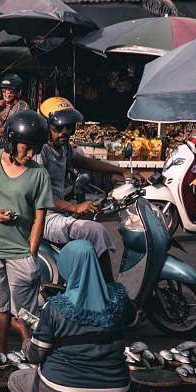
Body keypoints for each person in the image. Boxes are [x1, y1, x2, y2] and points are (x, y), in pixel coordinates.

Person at [6, 240, 133, 392]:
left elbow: (35, 355)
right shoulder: (120, 298)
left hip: (63, 388)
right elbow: (131, 319)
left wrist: (23, 332)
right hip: (116, 388)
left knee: (16, 380)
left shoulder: (56, 307)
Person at [0, 110, 55, 356]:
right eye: (26, 148)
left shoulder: (39, 174)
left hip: (20, 251)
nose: (31, 154)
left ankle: (31, 354)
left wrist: (31, 254)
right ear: (11, 143)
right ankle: (2, 353)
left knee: (24, 311)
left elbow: (39, 219)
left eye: (35, 149)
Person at [36, 97, 133, 282]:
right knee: (95, 230)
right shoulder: (40, 153)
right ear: (46, 126)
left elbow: (82, 161)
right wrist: (75, 208)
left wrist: (121, 171)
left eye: (69, 127)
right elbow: (40, 197)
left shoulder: (61, 147)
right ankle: (109, 288)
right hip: (44, 216)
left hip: (61, 210)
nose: (64, 132)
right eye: (58, 128)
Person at [0, 75, 30, 152]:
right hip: (0, 140)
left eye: (11, 92)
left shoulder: (23, 106)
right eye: (4, 92)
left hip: (14, 142)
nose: (7, 95)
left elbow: (14, 128)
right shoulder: (2, 105)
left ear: (18, 92)